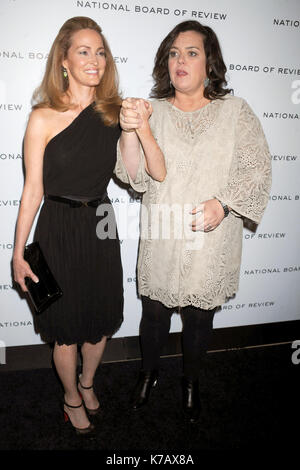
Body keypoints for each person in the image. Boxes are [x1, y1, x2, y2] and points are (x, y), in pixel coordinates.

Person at [114, 20, 272, 423]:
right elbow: (134, 176)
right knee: (153, 315)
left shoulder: (235, 111)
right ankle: (148, 375)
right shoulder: (155, 112)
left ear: (210, 63)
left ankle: (191, 381)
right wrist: (131, 131)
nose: (180, 60)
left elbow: (256, 169)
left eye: (191, 52)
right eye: (173, 53)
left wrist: (223, 203)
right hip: (162, 235)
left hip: (212, 238)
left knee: (200, 319)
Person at [13, 16, 126, 436]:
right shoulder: (42, 117)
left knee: (99, 321)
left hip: (101, 224)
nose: (94, 59)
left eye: (100, 51)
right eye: (83, 50)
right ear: (64, 60)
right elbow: (32, 191)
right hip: (57, 227)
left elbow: (133, 169)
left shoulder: (115, 113)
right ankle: (71, 397)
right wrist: (17, 252)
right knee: (64, 331)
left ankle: (88, 382)